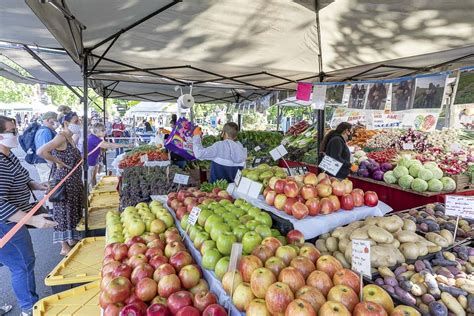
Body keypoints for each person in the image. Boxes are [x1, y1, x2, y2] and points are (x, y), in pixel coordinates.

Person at [0, 115, 57, 316]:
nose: (17, 135)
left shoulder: (8, 154)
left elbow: (23, 177)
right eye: (12, 132)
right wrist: (33, 219)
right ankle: (29, 308)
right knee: (22, 263)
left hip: (15, 219)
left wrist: (37, 185)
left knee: (9, 261)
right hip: (7, 224)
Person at [37, 108, 83, 256]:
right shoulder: (61, 137)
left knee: (72, 210)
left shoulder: (70, 137)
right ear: (66, 123)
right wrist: (57, 161)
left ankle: (71, 239)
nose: (79, 123)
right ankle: (64, 245)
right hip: (65, 180)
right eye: (76, 121)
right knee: (63, 212)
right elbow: (41, 151)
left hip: (74, 180)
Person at [33, 111, 58, 183]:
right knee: (50, 185)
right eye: (56, 120)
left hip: (45, 162)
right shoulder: (45, 131)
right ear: (48, 120)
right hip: (45, 163)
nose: (57, 123)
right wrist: (53, 166)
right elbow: (44, 152)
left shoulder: (45, 130)